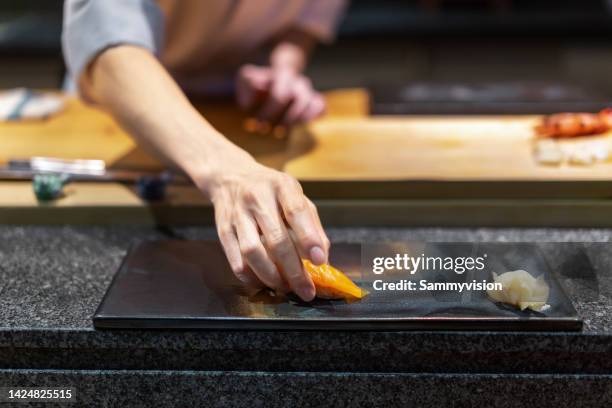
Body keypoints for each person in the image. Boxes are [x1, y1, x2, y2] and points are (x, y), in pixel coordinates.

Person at [62, 0, 347, 301]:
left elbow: (305, 19)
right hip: (129, 102)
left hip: (239, 108)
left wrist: (284, 68)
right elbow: (109, 45)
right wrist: (229, 171)